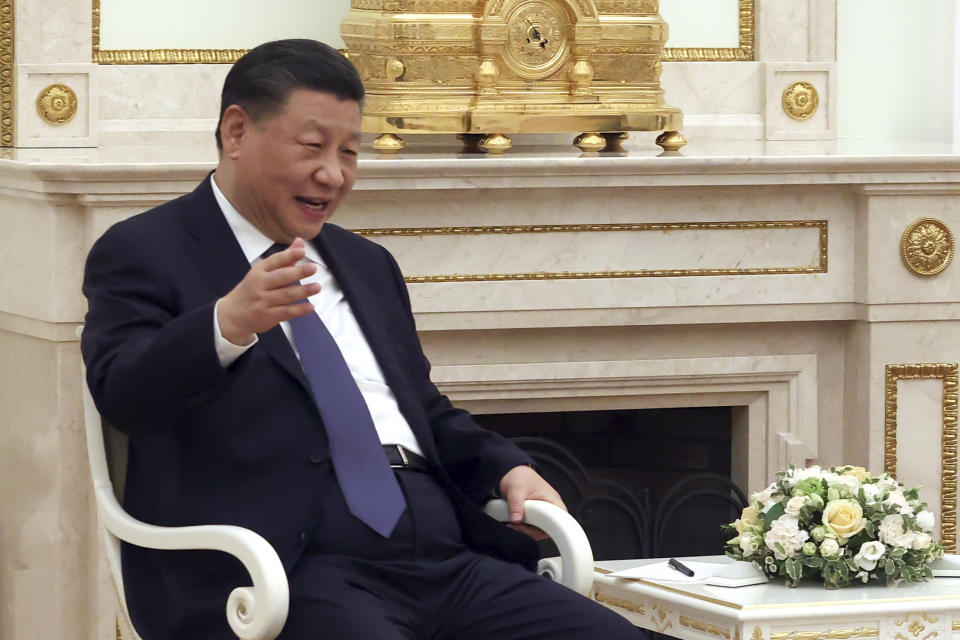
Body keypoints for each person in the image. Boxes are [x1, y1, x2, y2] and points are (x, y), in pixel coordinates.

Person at [81, 39, 640, 640]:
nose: (334, 173)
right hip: (285, 569)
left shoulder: (367, 264)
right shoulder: (144, 251)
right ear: (237, 132)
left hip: (440, 555)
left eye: (350, 151)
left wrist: (509, 468)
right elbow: (124, 395)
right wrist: (227, 323)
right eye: (313, 146)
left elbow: (423, 411)